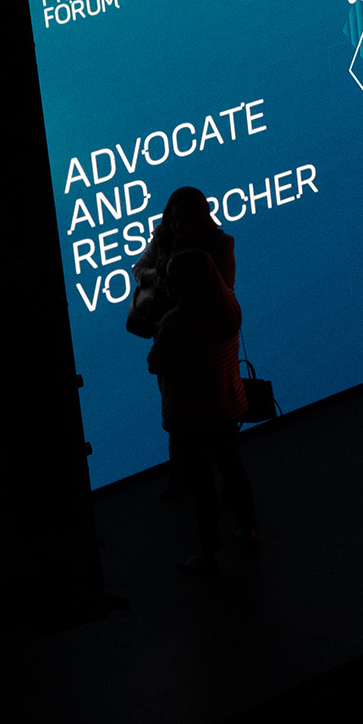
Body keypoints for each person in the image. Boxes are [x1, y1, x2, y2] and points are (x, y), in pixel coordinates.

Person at [147, 246, 256, 572]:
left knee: (202, 484)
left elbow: (155, 363)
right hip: (226, 404)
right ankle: (249, 530)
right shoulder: (228, 308)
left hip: (191, 416)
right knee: (233, 470)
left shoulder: (176, 322)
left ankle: (209, 552)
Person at [125, 187, 235, 502]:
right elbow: (138, 268)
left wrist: (176, 284)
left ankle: (222, 484)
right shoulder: (163, 237)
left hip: (207, 341)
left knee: (216, 420)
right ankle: (181, 481)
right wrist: (164, 276)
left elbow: (225, 286)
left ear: (198, 217)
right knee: (178, 416)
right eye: (170, 218)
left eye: (181, 219)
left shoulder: (220, 244)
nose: (174, 225)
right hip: (169, 334)